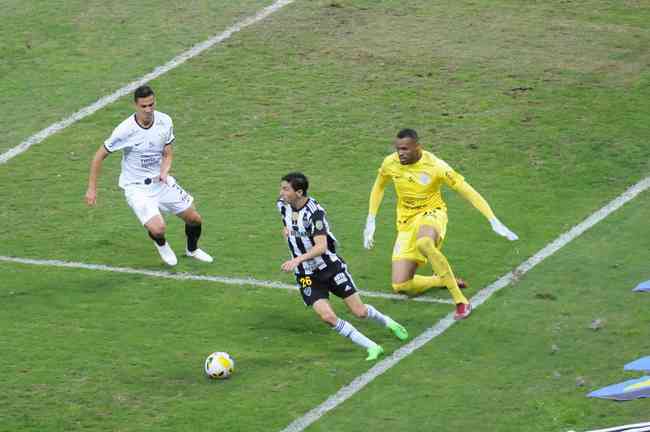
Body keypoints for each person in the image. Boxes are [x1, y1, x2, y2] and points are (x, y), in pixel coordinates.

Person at [363, 129, 518, 320]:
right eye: (397, 149)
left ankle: (461, 301)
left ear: (417, 147)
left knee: (424, 243)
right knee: (401, 286)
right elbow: (378, 186)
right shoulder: (390, 163)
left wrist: (492, 219)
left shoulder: (436, 166)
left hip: (432, 214)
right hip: (406, 222)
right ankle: (439, 280)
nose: (400, 153)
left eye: (405, 149)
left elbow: (467, 191)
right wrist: (371, 219)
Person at [278, 172, 408, 361]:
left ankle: (389, 323)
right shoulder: (282, 205)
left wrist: (297, 259)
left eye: (285, 189)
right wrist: (289, 236)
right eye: (281, 188)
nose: (281, 192)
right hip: (306, 275)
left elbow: (321, 247)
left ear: (299, 192)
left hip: (330, 268)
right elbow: (288, 224)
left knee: (360, 312)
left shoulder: (315, 213)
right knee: (327, 317)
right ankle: (372, 347)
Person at [85, 85, 213, 266]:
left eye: (151, 105)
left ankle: (192, 250)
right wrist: (92, 188)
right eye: (144, 106)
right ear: (136, 106)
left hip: (160, 182)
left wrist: (164, 171)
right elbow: (99, 156)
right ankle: (161, 244)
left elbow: (168, 153)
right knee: (158, 228)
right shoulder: (125, 130)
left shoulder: (165, 121)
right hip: (137, 187)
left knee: (194, 219)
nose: (148, 110)